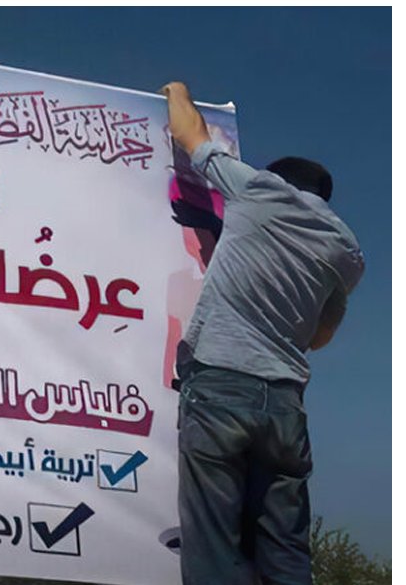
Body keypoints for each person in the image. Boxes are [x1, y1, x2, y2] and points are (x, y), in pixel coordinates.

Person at [162, 81, 364, 585]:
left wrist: (177, 91)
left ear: (278, 180)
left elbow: (191, 135)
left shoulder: (260, 191)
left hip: (221, 386)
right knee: (286, 552)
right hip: (284, 406)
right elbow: (320, 336)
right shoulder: (346, 252)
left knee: (214, 547)